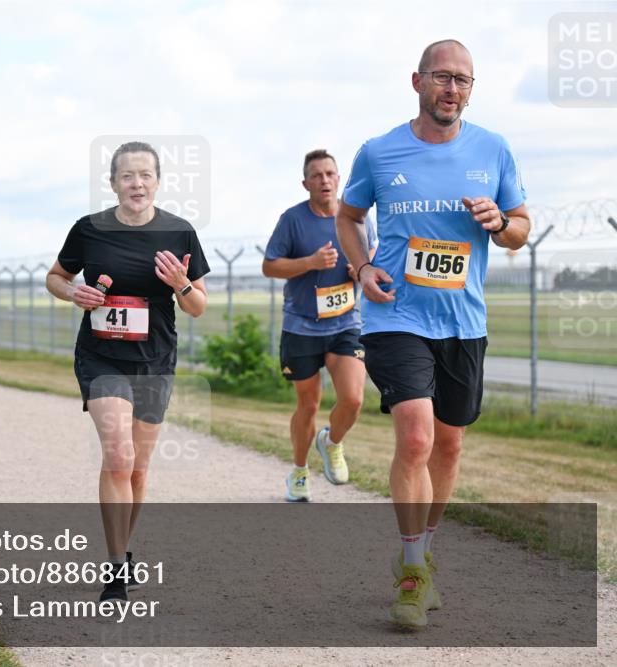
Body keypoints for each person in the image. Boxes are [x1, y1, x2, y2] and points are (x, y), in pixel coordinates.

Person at [336, 39, 531, 628]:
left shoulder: (493, 149)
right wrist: (363, 266)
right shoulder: (379, 151)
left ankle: (422, 546)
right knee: (416, 438)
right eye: (442, 77)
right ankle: (414, 571)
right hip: (396, 315)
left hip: (463, 322)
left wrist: (502, 224)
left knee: (449, 445)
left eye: (464, 80)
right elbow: (349, 216)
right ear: (417, 81)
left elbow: (521, 225)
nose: (453, 89)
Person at [46, 141, 210, 603]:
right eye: (127, 176)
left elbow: (197, 306)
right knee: (118, 457)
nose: (136, 184)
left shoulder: (179, 233)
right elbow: (55, 277)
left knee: (138, 468)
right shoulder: (89, 230)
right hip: (101, 356)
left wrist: (180, 284)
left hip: (155, 357)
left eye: (145, 175)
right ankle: (116, 565)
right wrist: (72, 292)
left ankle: (125, 548)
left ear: (157, 181)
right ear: (113, 182)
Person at [262, 149, 378, 502]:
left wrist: (360, 266)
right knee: (308, 405)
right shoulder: (293, 220)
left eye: (330, 173)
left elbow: (371, 252)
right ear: (305, 183)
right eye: (316, 175)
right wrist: (310, 262)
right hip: (302, 326)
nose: (324, 180)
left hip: (345, 322)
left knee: (354, 399)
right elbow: (270, 266)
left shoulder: (356, 216)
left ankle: (331, 441)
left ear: (339, 178)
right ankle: (299, 471)